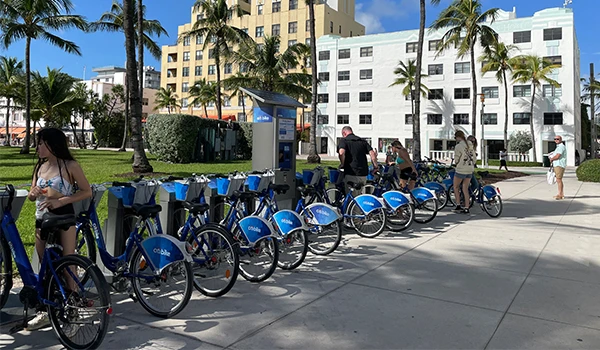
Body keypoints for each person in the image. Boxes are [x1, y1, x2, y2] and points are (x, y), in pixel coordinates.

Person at [26, 128, 92, 331]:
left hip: (63, 218)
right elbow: (31, 195)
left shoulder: (70, 165)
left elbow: (86, 191)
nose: (37, 147)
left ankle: (72, 312)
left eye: (40, 143)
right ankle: (46, 310)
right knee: (45, 266)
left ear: (52, 145)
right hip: (42, 220)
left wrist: (61, 199)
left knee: (67, 264)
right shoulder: (40, 167)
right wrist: (34, 192)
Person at [337, 126, 379, 193]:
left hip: (351, 172)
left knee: (351, 197)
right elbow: (372, 154)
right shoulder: (362, 141)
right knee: (359, 194)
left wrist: (342, 164)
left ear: (344, 133)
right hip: (363, 173)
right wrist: (376, 167)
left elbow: (341, 153)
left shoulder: (344, 141)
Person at [452, 130, 475, 213]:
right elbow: (474, 157)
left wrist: (456, 163)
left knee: (456, 187)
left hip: (461, 169)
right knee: (465, 188)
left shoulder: (458, 146)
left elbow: (457, 158)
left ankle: (458, 205)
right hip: (469, 169)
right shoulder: (470, 144)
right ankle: (466, 207)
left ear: (458, 137)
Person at [548, 135, 567, 200]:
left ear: (561, 139)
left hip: (559, 165)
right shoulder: (558, 147)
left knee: (559, 180)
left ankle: (560, 194)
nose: (556, 140)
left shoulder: (561, 147)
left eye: (558, 139)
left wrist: (552, 159)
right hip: (557, 164)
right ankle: (560, 194)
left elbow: (558, 156)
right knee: (558, 180)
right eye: (555, 139)